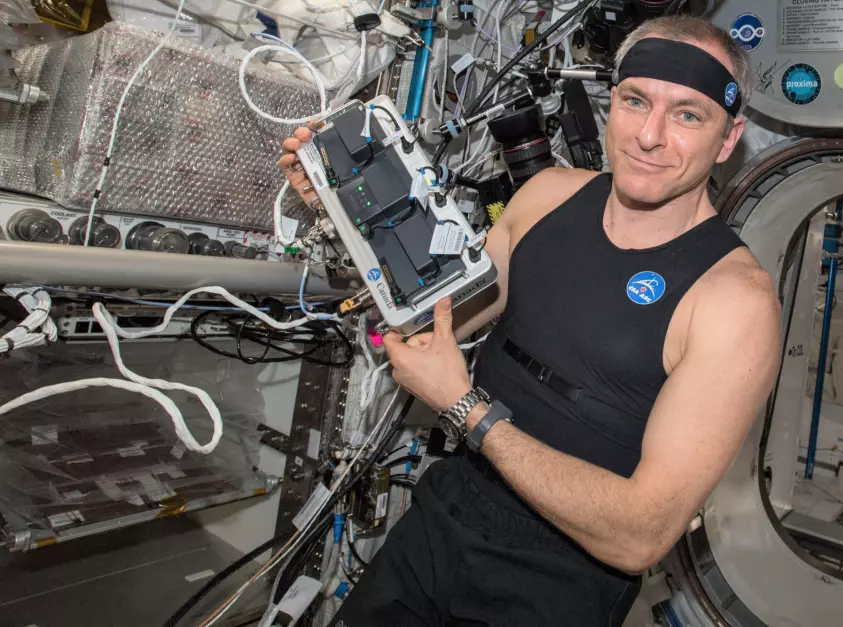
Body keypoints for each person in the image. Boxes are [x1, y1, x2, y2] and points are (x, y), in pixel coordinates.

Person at [278, 14, 781, 627]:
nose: (649, 136)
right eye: (634, 100)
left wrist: (465, 408)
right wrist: (350, 215)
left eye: (687, 115)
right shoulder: (546, 195)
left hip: (559, 577)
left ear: (729, 140)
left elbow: (640, 536)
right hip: (446, 514)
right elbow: (429, 321)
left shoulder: (735, 301)